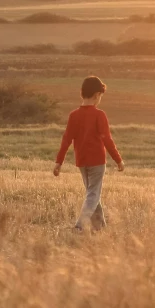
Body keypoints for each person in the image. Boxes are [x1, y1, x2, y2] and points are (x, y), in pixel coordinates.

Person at [54, 76, 124, 230]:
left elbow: (66, 140)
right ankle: (80, 225)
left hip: (81, 161)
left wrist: (59, 162)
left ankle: (100, 228)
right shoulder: (99, 115)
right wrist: (118, 160)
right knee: (93, 194)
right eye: (100, 96)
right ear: (97, 95)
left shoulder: (74, 115)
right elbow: (107, 140)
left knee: (92, 193)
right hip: (97, 161)